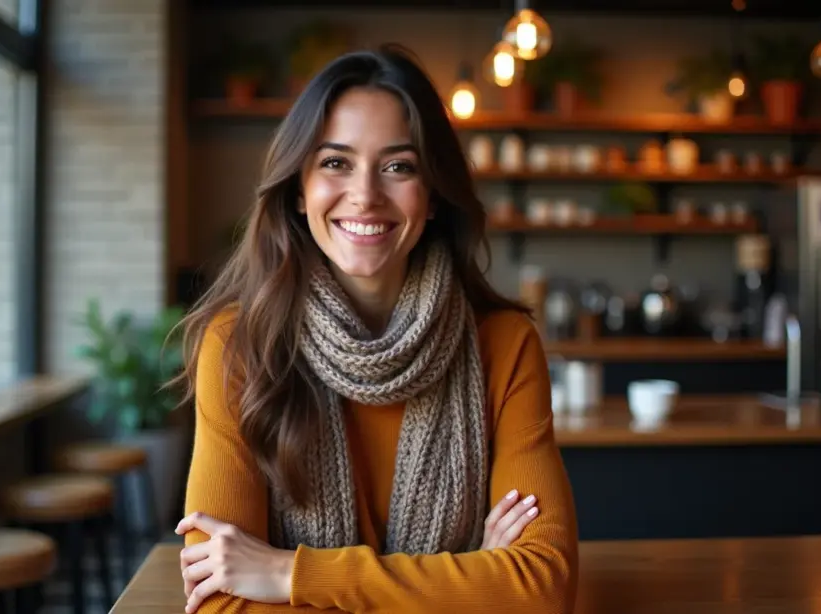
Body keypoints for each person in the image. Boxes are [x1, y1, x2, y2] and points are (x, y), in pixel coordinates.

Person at [173, 44, 578, 614]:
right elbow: (222, 605)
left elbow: (541, 588)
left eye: (398, 166)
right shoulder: (239, 346)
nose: (364, 194)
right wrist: (468, 585)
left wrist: (292, 574)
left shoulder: (505, 345)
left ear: (433, 194)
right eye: (335, 162)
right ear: (298, 187)